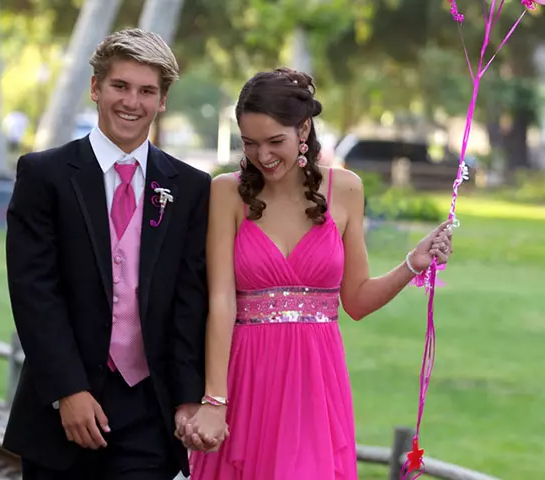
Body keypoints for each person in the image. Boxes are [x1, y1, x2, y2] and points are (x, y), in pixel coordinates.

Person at [183, 68, 453, 479]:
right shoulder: (226, 192)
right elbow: (220, 301)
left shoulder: (346, 189)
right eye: (250, 143)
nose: (264, 156)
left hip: (316, 383)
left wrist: (412, 264)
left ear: (304, 128)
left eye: (276, 141)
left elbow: (357, 301)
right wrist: (214, 401)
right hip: (247, 379)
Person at [3, 28, 214, 480]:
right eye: (120, 86)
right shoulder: (45, 175)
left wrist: (187, 397)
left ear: (162, 101)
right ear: (96, 88)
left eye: (146, 91)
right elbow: (33, 291)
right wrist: (68, 390)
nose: (131, 102)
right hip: (63, 405)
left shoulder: (191, 188)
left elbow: (189, 300)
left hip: (149, 409)